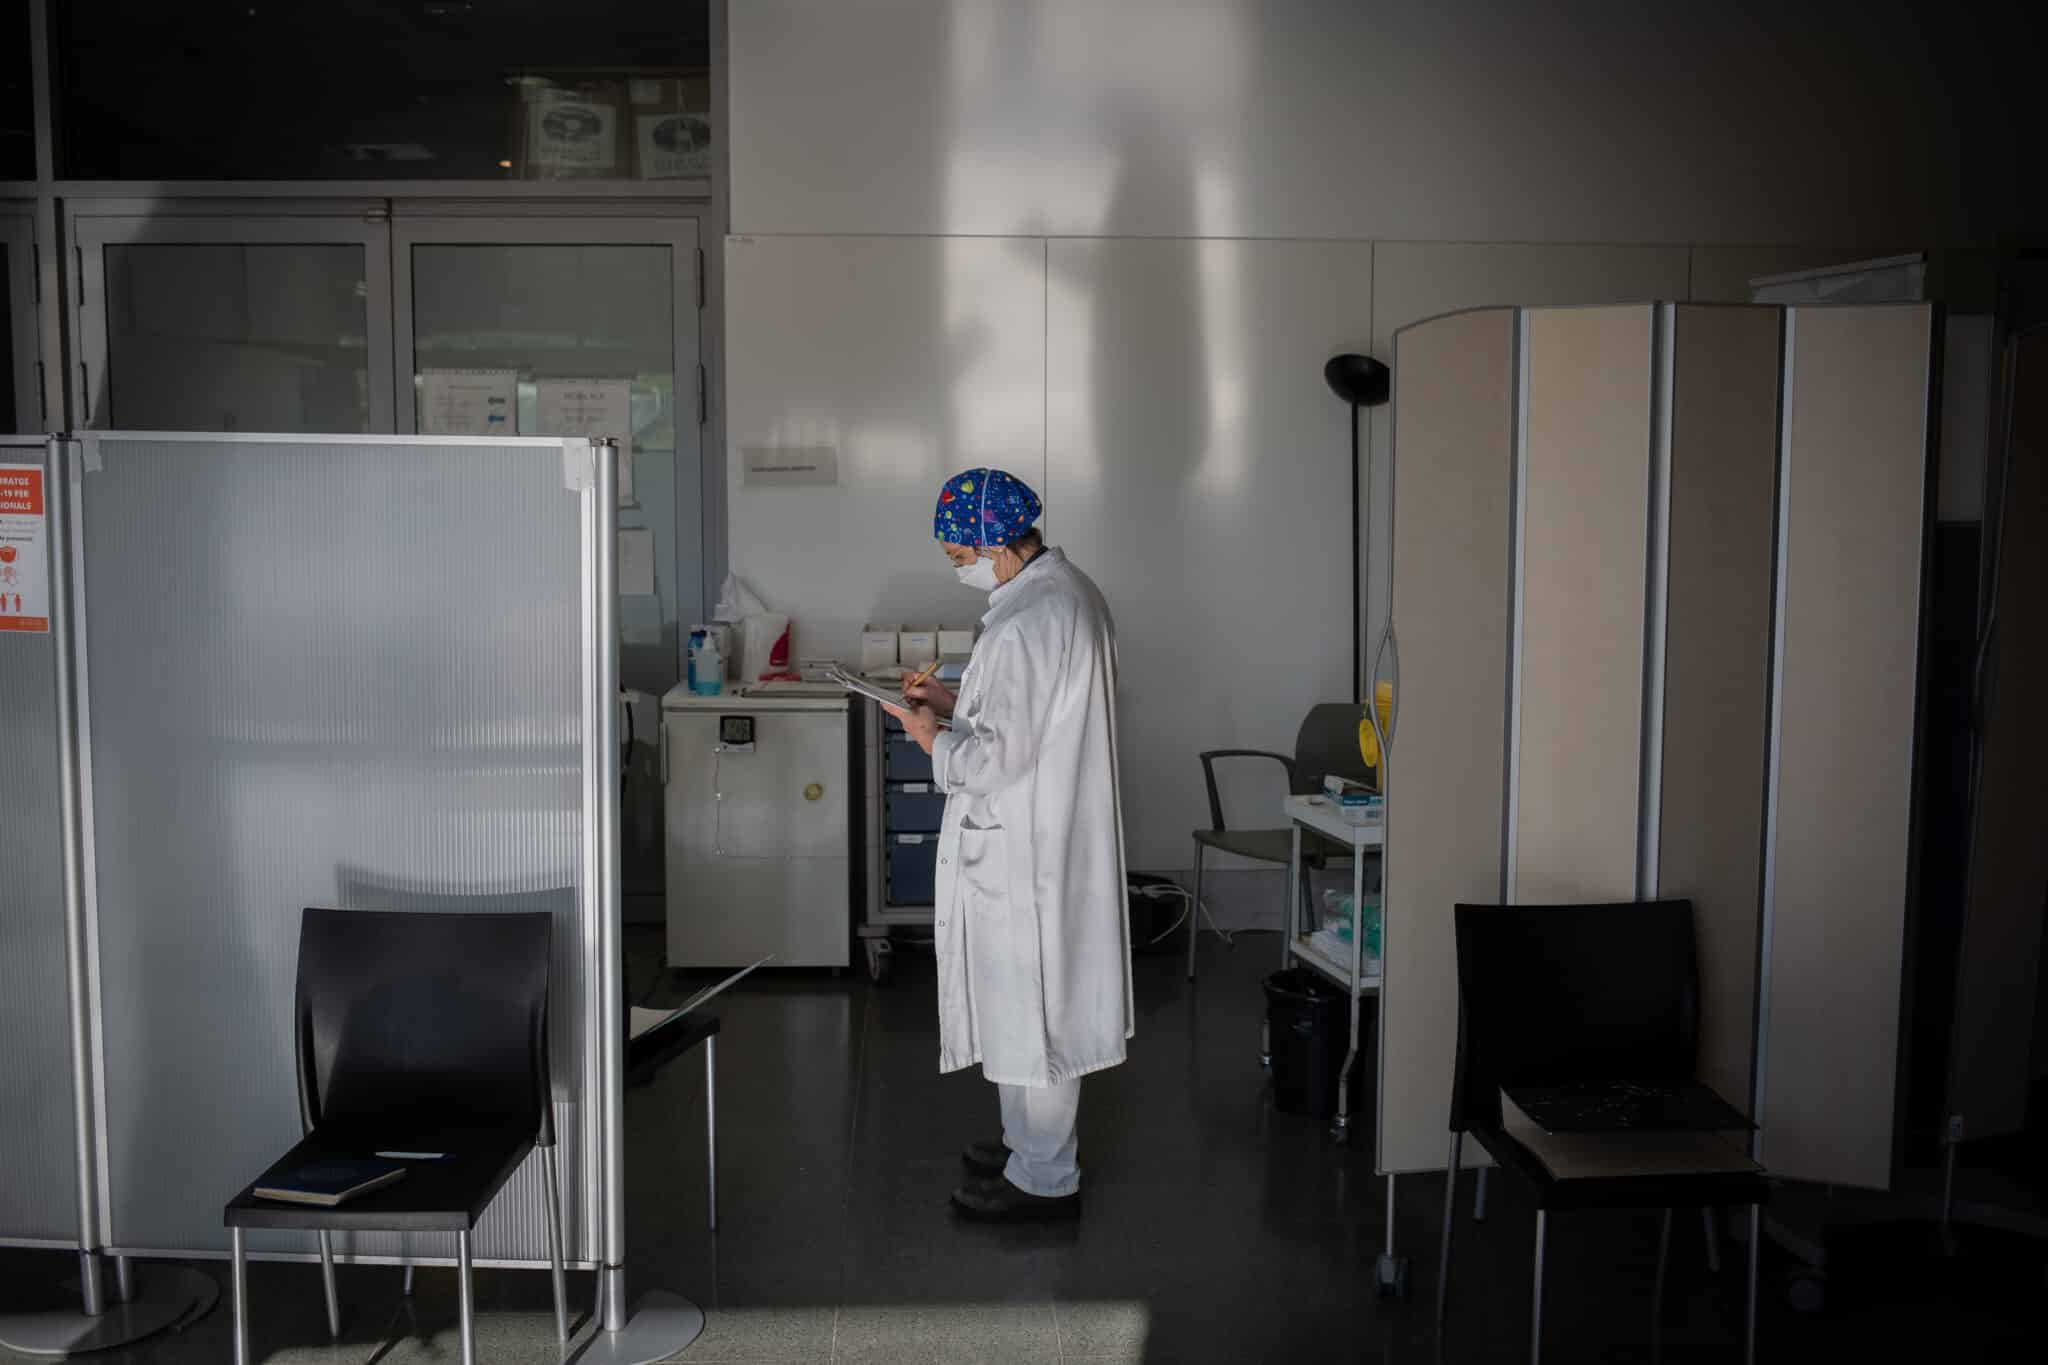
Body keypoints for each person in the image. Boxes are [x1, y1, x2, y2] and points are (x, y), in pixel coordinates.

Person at [884, 467, 1134, 1222]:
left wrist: (931, 736)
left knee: (1042, 1008)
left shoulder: (1030, 619)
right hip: (1039, 837)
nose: (955, 563)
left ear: (995, 543)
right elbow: (1027, 710)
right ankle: (1025, 1145)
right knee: (1020, 1003)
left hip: (1032, 846)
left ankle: (1046, 1178)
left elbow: (995, 756)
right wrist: (952, 700)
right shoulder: (1063, 594)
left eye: (958, 549)